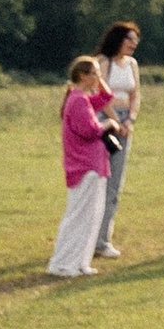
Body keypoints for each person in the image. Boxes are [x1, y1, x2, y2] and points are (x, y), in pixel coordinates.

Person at [48, 58, 113, 279]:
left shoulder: (83, 98)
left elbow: (106, 97)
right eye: (94, 73)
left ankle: (80, 262)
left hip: (94, 165)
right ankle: (62, 263)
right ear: (83, 76)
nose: (97, 77)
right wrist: (110, 124)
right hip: (84, 167)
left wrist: (100, 81)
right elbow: (91, 130)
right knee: (78, 216)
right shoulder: (77, 101)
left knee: (92, 216)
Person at [93, 18, 140, 260]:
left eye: (135, 40)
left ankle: (103, 239)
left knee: (115, 183)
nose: (134, 44)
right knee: (98, 179)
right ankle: (90, 238)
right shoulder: (103, 63)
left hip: (124, 122)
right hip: (104, 119)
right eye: (129, 39)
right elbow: (99, 94)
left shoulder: (132, 64)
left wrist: (130, 119)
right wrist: (115, 121)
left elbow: (135, 94)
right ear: (118, 40)